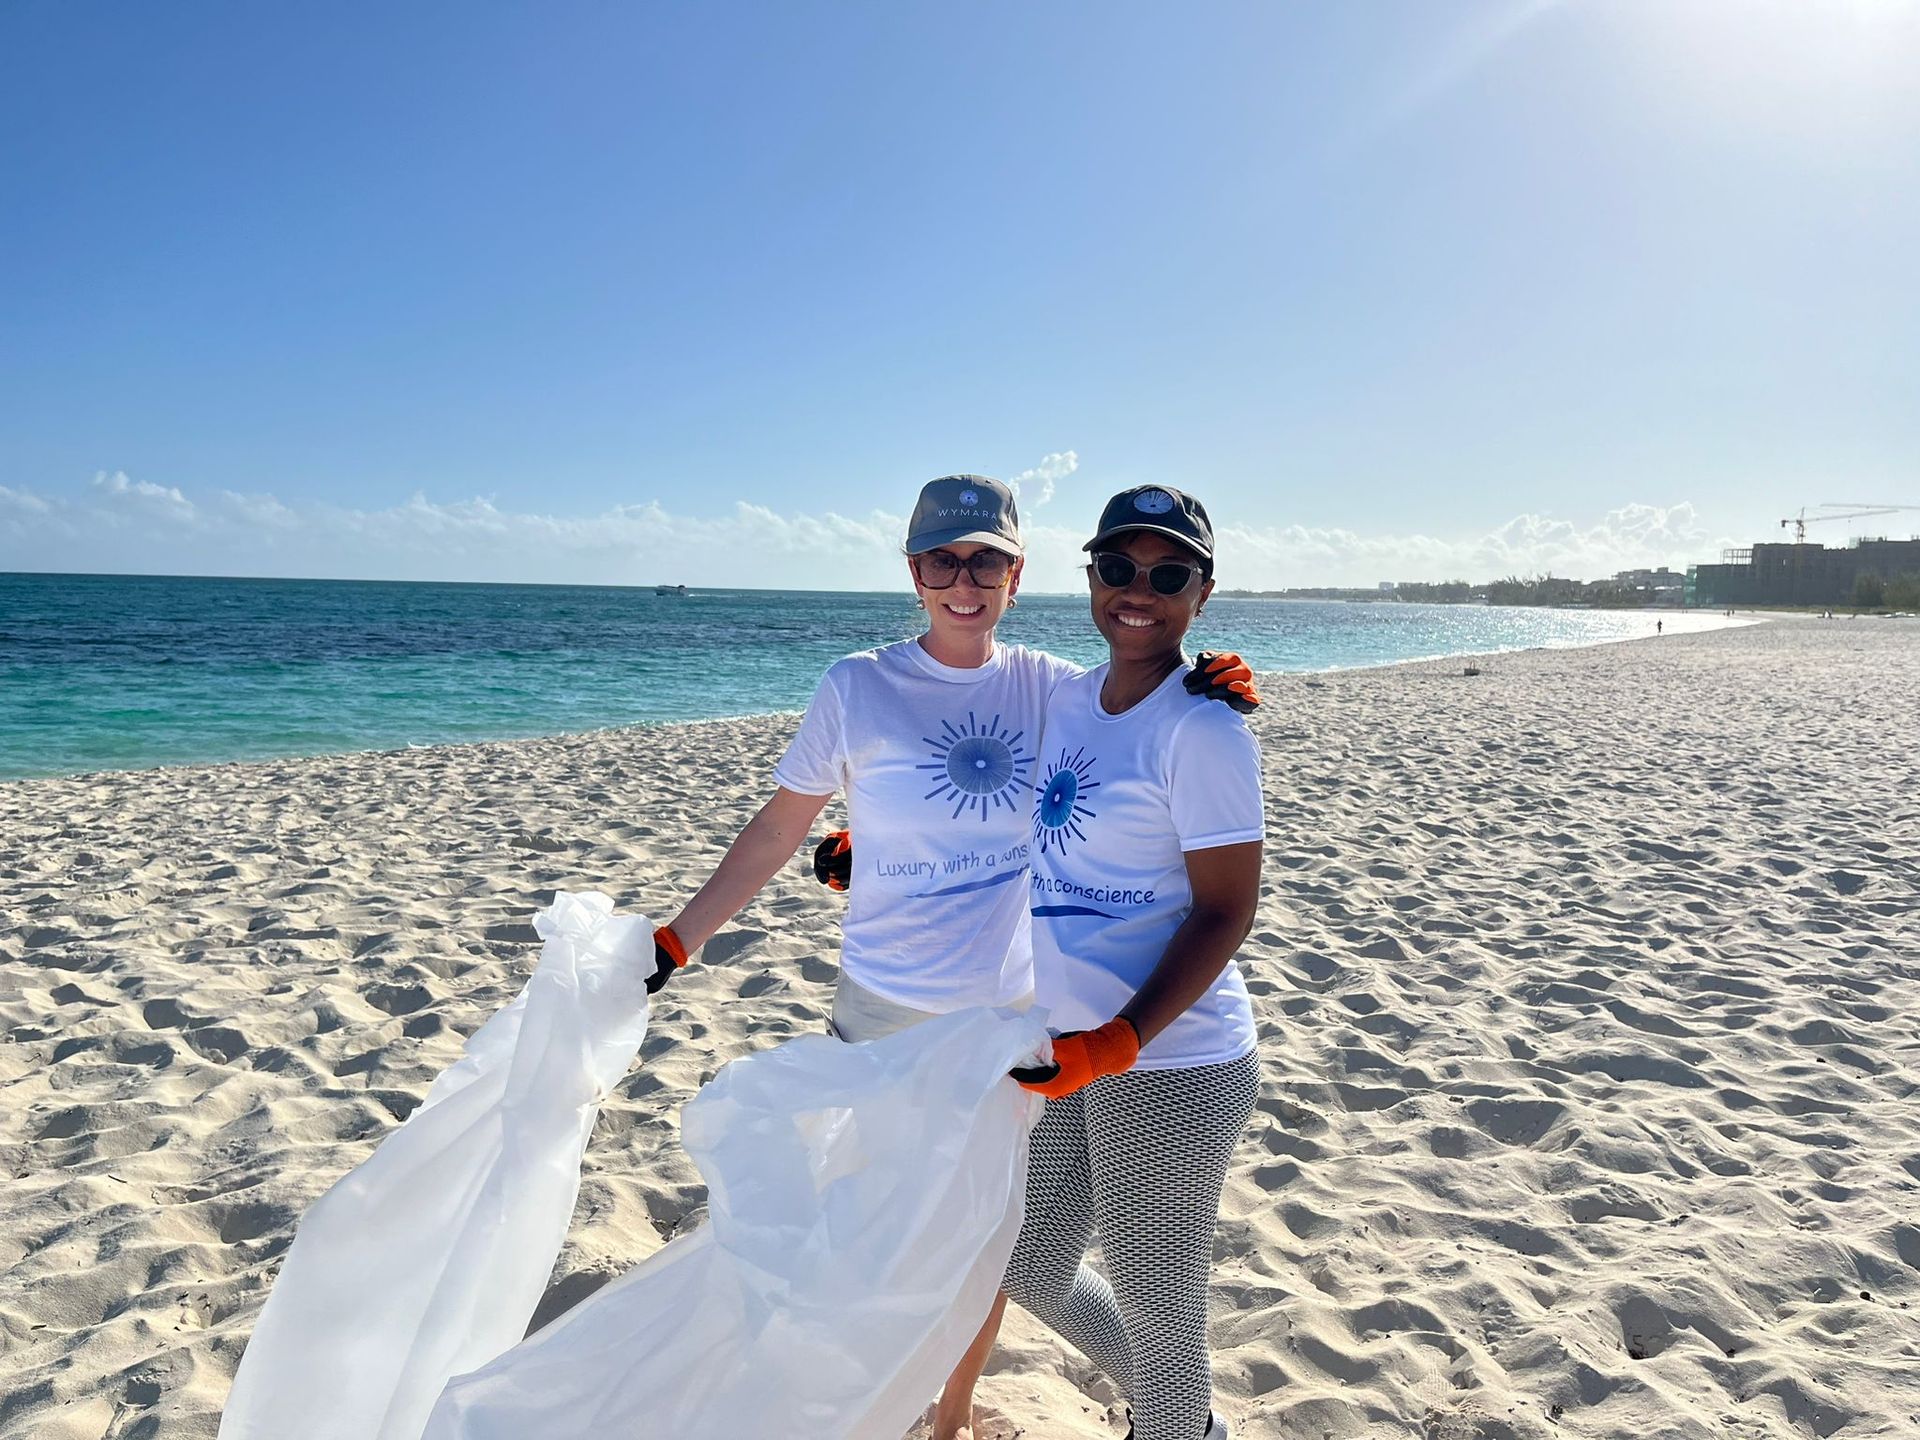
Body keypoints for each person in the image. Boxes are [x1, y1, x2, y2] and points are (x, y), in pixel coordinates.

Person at [643, 474, 1259, 1440]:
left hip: (1032, 1024)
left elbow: (1166, 804)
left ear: (1019, 573)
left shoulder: (1057, 687)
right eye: (942, 559)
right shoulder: (885, 685)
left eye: (985, 560)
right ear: (913, 569)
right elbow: (787, 829)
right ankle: (1163, 1407)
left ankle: (979, 1416)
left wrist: (1200, 680)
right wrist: (695, 930)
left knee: (1018, 1250)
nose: (962, 579)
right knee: (928, 1235)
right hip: (927, 1010)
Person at [1001, 485, 1265, 1440]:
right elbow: (1015, 816)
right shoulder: (1072, 698)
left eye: (1168, 574)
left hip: (1172, 1062)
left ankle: (1175, 1421)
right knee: (1028, 1262)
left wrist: (1123, 1039)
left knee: (1162, 1309)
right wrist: (876, 849)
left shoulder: (1205, 727)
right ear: (1092, 578)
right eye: (1118, 568)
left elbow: (1228, 910)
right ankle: (1184, 1418)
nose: (1137, 590)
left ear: (1203, 591)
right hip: (1071, 1046)